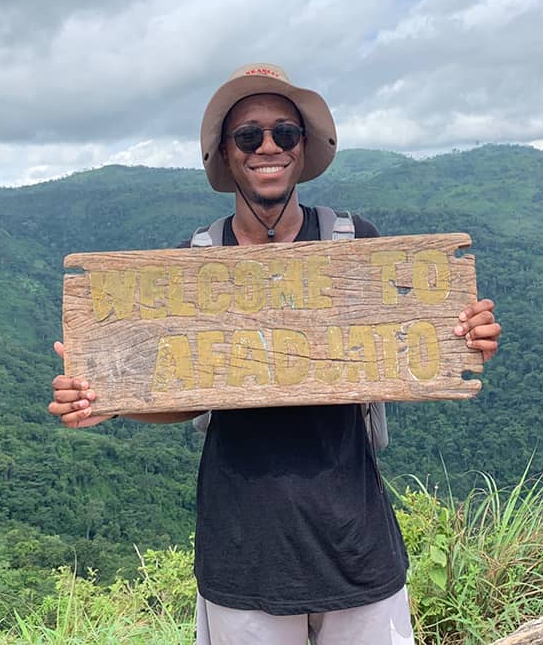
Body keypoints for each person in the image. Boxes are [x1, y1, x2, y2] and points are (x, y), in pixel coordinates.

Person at [49, 63, 502, 645]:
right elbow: (185, 391)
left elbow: (411, 341)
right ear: (227, 153)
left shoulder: (353, 241)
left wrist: (465, 336)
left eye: (284, 133)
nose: (268, 146)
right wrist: (108, 400)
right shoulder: (196, 258)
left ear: (302, 147)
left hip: (356, 545)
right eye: (248, 136)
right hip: (243, 556)